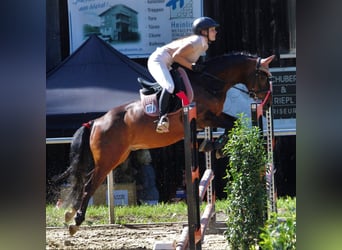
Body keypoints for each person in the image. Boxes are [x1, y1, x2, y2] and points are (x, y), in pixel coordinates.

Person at [148, 17, 219, 133]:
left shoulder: (203, 43)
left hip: (168, 62)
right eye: (212, 29)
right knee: (169, 86)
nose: (215, 32)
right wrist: (192, 66)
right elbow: (176, 56)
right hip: (159, 60)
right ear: (203, 31)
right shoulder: (198, 41)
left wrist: (193, 66)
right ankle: (162, 118)